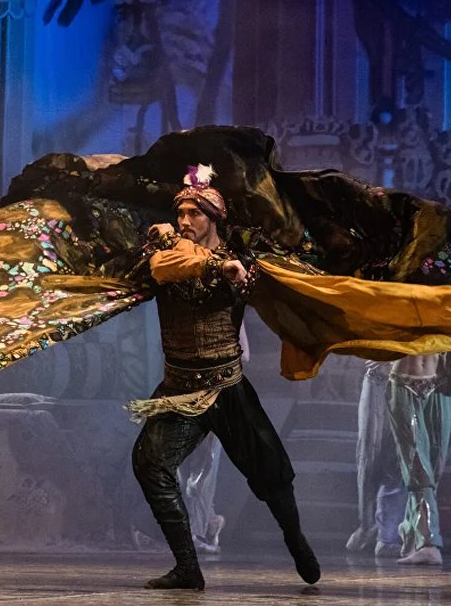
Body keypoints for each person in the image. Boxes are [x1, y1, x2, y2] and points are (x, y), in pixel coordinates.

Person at [127, 166, 320, 590]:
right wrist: (202, 258)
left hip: (227, 388)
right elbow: (162, 268)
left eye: (194, 214)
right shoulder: (166, 251)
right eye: (181, 213)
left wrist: (227, 268)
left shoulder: (240, 260)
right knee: (149, 464)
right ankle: (187, 567)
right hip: (181, 391)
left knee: (273, 475)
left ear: (214, 219)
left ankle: (295, 539)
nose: (184, 221)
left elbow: (239, 278)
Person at [385, 343, 451, 566]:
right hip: (404, 384)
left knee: (435, 467)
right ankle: (428, 543)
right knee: (418, 465)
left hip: (440, 386)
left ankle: (410, 529)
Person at [345, 359, 405, 557]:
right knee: (370, 458)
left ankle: (386, 535)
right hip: (379, 382)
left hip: (405, 383)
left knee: (397, 462)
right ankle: (368, 527)